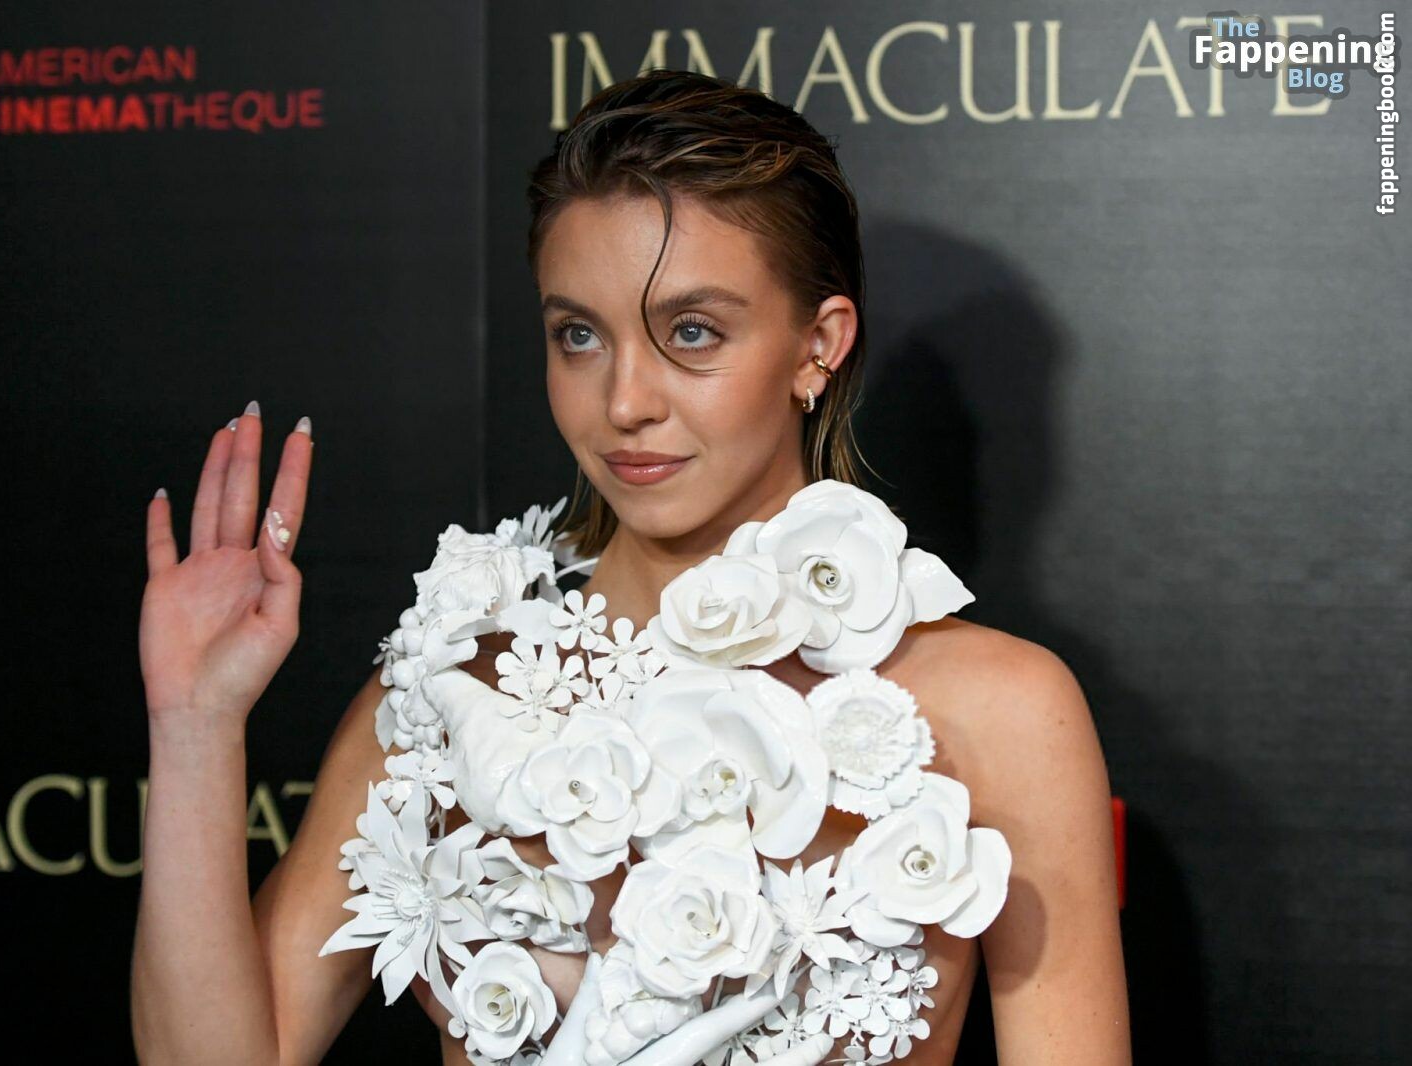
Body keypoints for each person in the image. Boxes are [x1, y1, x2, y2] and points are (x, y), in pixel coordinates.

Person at [131, 70, 1130, 1065]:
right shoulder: (450, 690)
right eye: (579, 336)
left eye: (692, 332)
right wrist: (194, 725)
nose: (624, 401)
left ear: (816, 346)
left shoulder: (1001, 710)